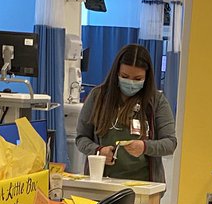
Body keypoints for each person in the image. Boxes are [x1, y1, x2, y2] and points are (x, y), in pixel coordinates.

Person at [74, 43, 177, 183]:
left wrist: (145, 147)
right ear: (116, 72)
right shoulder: (97, 96)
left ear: (146, 78)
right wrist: (98, 151)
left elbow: (170, 143)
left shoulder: (156, 101)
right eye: (125, 76)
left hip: (144, 185)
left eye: (138, 79)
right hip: (102, 182)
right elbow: (81, 138)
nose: (130, 82)